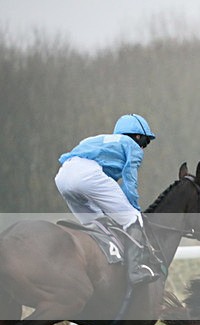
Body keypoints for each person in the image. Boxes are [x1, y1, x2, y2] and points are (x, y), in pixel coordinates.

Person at [54, 113, 160, 284]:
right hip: (87, 174)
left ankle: (98, 265)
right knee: (132, 218)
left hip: (63, 175)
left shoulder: (94, 139)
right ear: (137, 136)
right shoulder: (131, 146)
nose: (143, 148)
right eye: (145, 142)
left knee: (96, 223)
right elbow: (129, 183)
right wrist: (135, 212)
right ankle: (135, 271)